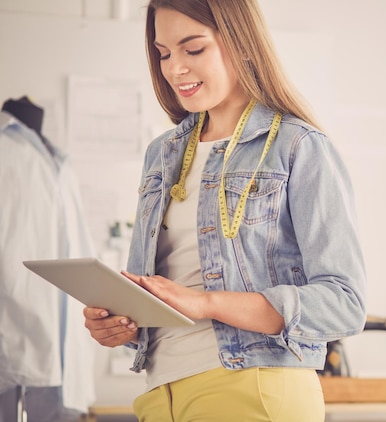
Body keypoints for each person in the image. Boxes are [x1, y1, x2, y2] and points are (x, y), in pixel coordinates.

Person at [83, 0, 367, 420]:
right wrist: (120, 322)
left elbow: (343, 302)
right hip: (159, 392)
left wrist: (209, 303)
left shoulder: (298, 146)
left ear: (241, 41)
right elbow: (160, 291)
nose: (174, 68)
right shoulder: (161, 155)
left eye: (192, 49)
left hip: (253, 385)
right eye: (163, 53)